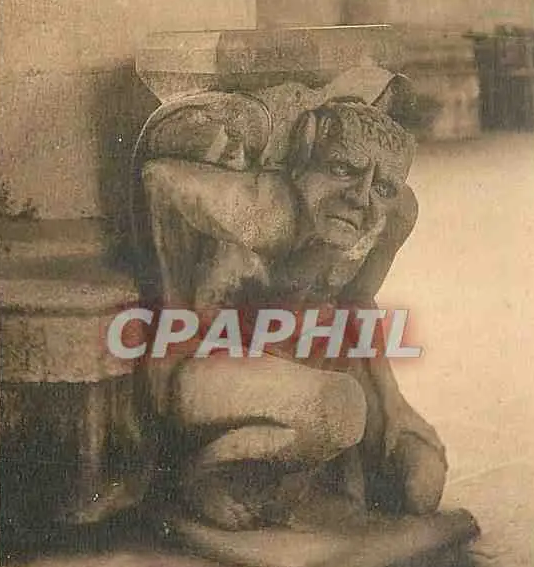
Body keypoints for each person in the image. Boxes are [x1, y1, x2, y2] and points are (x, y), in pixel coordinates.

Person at [133, 87, 448, 532]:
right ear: (303, 162)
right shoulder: (265, 214)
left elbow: (357, 302)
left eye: (382, 186)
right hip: (217, 363)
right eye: (342, 169)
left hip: (317, 363)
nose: (361, 198)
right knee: (338, 411)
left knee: (422, 483)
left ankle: (305, 465)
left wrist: (394, 403)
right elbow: (158, 179)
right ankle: (199, 474)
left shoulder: (391, 215)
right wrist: (170, 296)